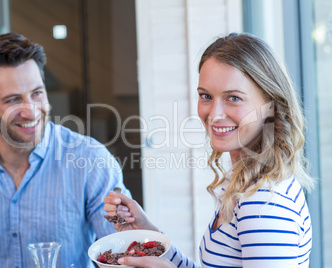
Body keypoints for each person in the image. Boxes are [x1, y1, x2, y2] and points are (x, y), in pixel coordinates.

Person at [104, 32, 314, 267]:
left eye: (233, 98)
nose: (213, 115)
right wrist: (148, 233)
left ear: (270, 106)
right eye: (206, 96)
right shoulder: (243, 180)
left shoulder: (264, 204)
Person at [0, 33, 129, 268]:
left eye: (37, 94)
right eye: (13, 100)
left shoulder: (91, 160)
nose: (31, 112)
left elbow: (121, 252)